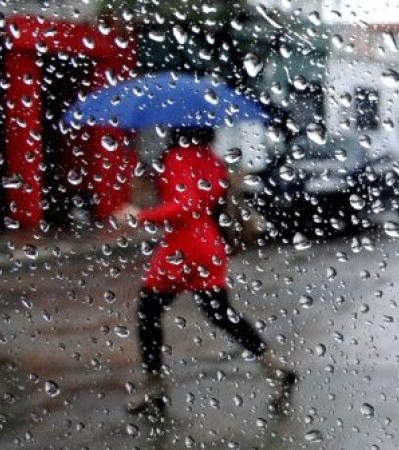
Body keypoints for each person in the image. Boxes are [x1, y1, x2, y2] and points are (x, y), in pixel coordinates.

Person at [118, 127, 296, 417]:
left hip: (182, 246)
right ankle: (274, 367)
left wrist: (141, 215)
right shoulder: (212, 159)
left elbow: (185, 205)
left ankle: (154, 386)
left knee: (149, 311)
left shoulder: (177, 157)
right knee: (220, 312)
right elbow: (209, 202)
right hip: (210, 244)